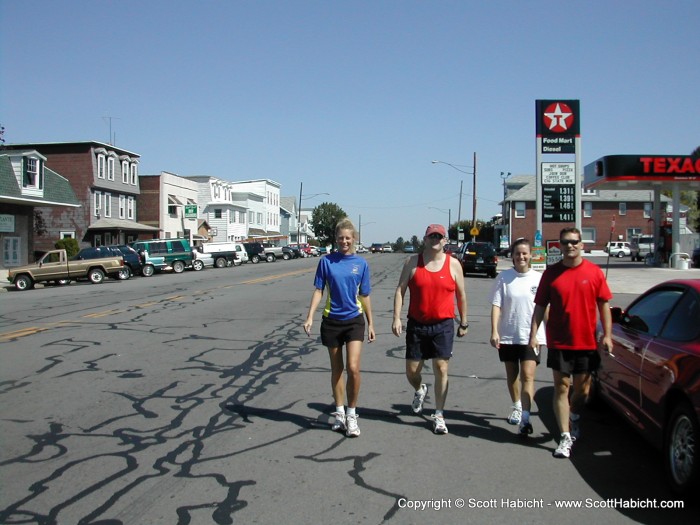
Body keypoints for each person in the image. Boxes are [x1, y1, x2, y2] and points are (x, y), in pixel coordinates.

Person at [529, 227, 612, 458]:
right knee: (561, 387)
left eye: (574, 242)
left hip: (586, 342)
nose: (570, 246)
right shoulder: (551, 273)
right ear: (560, 245)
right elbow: (540, 306)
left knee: (582, 391)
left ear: (581, 244)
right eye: (565, 242)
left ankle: (574, 414)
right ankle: (564, 436)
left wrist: (607, 334)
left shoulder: (594, 273)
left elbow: (604, 304)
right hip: (559, 341)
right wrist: (533, 334)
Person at [392, 224, 468, 434]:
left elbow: (461, 296)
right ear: (425, 239)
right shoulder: (412, 262)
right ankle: (419, 389)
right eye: (431, 236)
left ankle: (439, 414)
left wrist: (464, 322)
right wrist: (396, 318)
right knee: (412, 371)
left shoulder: (453, 265)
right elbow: (400, 290)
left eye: (439, 236)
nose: (435, 239)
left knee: (441, 368)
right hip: (417, 324)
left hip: (443, 325)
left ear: (445, 241)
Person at [303, 218, 375, 437]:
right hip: (332, 321)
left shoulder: (361, 264)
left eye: (348, 238)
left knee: (353, 368)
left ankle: (352, 414)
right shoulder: (326, 262)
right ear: (336, 239)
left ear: (354, 239)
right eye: (341, 238)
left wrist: (372, 323)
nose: (344, 241)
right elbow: (318, 290)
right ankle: (339, 413)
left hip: (354, 320)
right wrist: (310, 317)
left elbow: (364, 295)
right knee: (337, 369)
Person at [489, 238, 546, 436]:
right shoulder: (504, 278)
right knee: (512, 375)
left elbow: (544, 309)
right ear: (512, 256)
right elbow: (497, 305)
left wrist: (549, 333)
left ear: (531, 255)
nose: (521, 257)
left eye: (524, 253)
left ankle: (526, 418)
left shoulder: (539, 279)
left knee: (528, 376)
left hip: (532, 337)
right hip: (508, 334)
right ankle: (517, 406)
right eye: (517, 253)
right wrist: (494, 331)